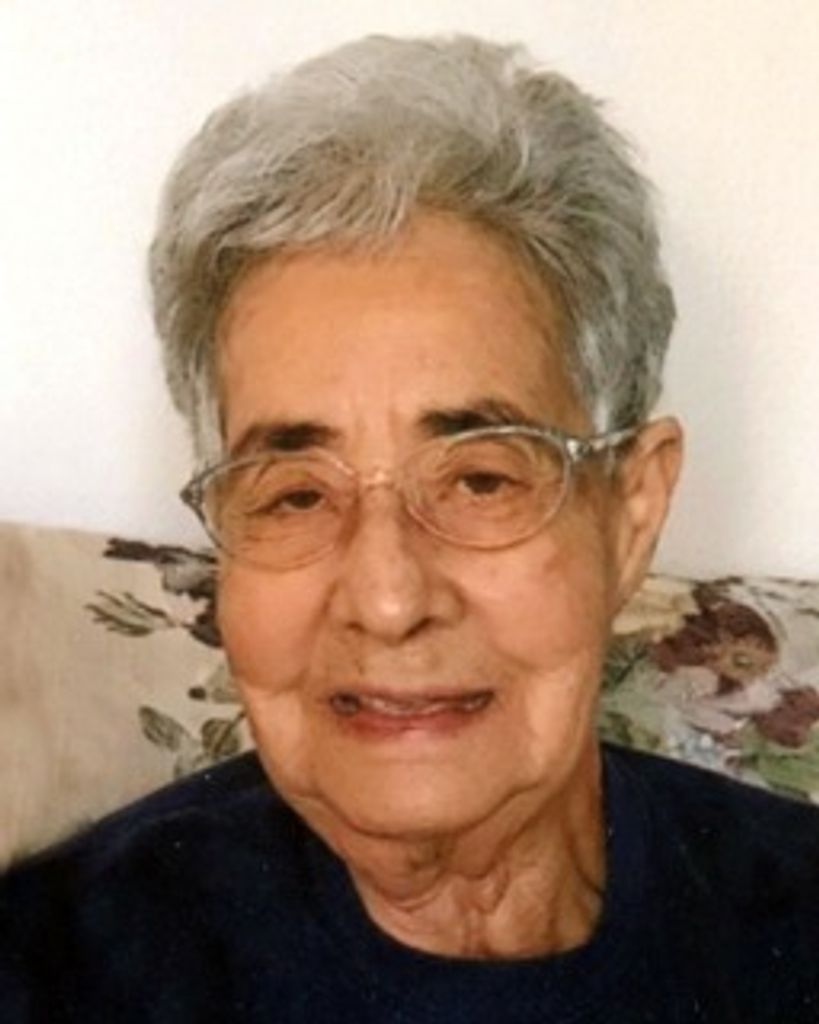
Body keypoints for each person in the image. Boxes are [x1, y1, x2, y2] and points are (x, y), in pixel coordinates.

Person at [2, 33, 818, 1023]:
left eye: (479, 480)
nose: (388, 599)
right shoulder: (55, 971)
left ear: (630, 511)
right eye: (295, 494)